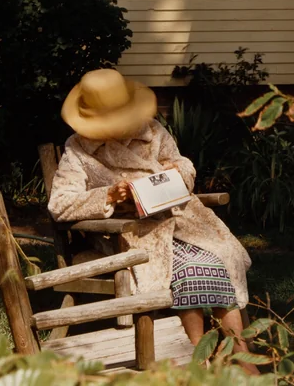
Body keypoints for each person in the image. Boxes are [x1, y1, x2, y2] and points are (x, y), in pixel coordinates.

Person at [48, 68, 255, 365]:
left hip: (179, 218)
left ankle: (242, 355)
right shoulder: (78, 150)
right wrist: (110, 196)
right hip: (127, 232)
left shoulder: (152, 130)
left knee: (220, 254)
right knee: (191, 267)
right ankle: (198, 357)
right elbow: (60, 204)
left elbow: (184, 165)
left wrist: (175, 172)